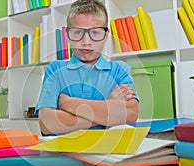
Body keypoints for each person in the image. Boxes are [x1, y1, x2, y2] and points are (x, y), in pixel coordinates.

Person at [35, 0, 139, 135]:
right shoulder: (55, 69)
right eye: (78, 32)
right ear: (67, 35)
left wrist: (69, 104)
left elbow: (130, 114)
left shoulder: (119, 69)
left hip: (108, 149)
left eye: (95, 33)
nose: (86, 42)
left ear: (106, 35)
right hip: (65, 150)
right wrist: (108, 109)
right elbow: (47, 124)